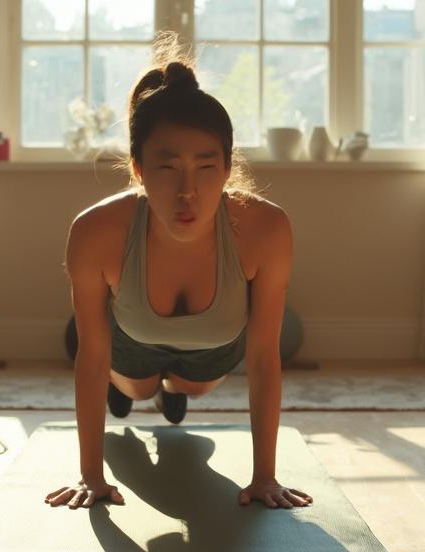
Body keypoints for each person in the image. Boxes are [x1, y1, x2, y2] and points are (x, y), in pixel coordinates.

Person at [44, 43, 312, 511]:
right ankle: (132, 389)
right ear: (138, 168)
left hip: (215, 345)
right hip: (128, 341)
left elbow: (265, 357)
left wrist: (265, 477)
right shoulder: (95, 231)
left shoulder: (266, 229)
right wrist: (91, 475)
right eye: (167, 169)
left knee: (183, 384)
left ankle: (171, 391)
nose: (187, 192)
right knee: (138, 384)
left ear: (228, 168)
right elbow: (91, 354)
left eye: (206, 168)